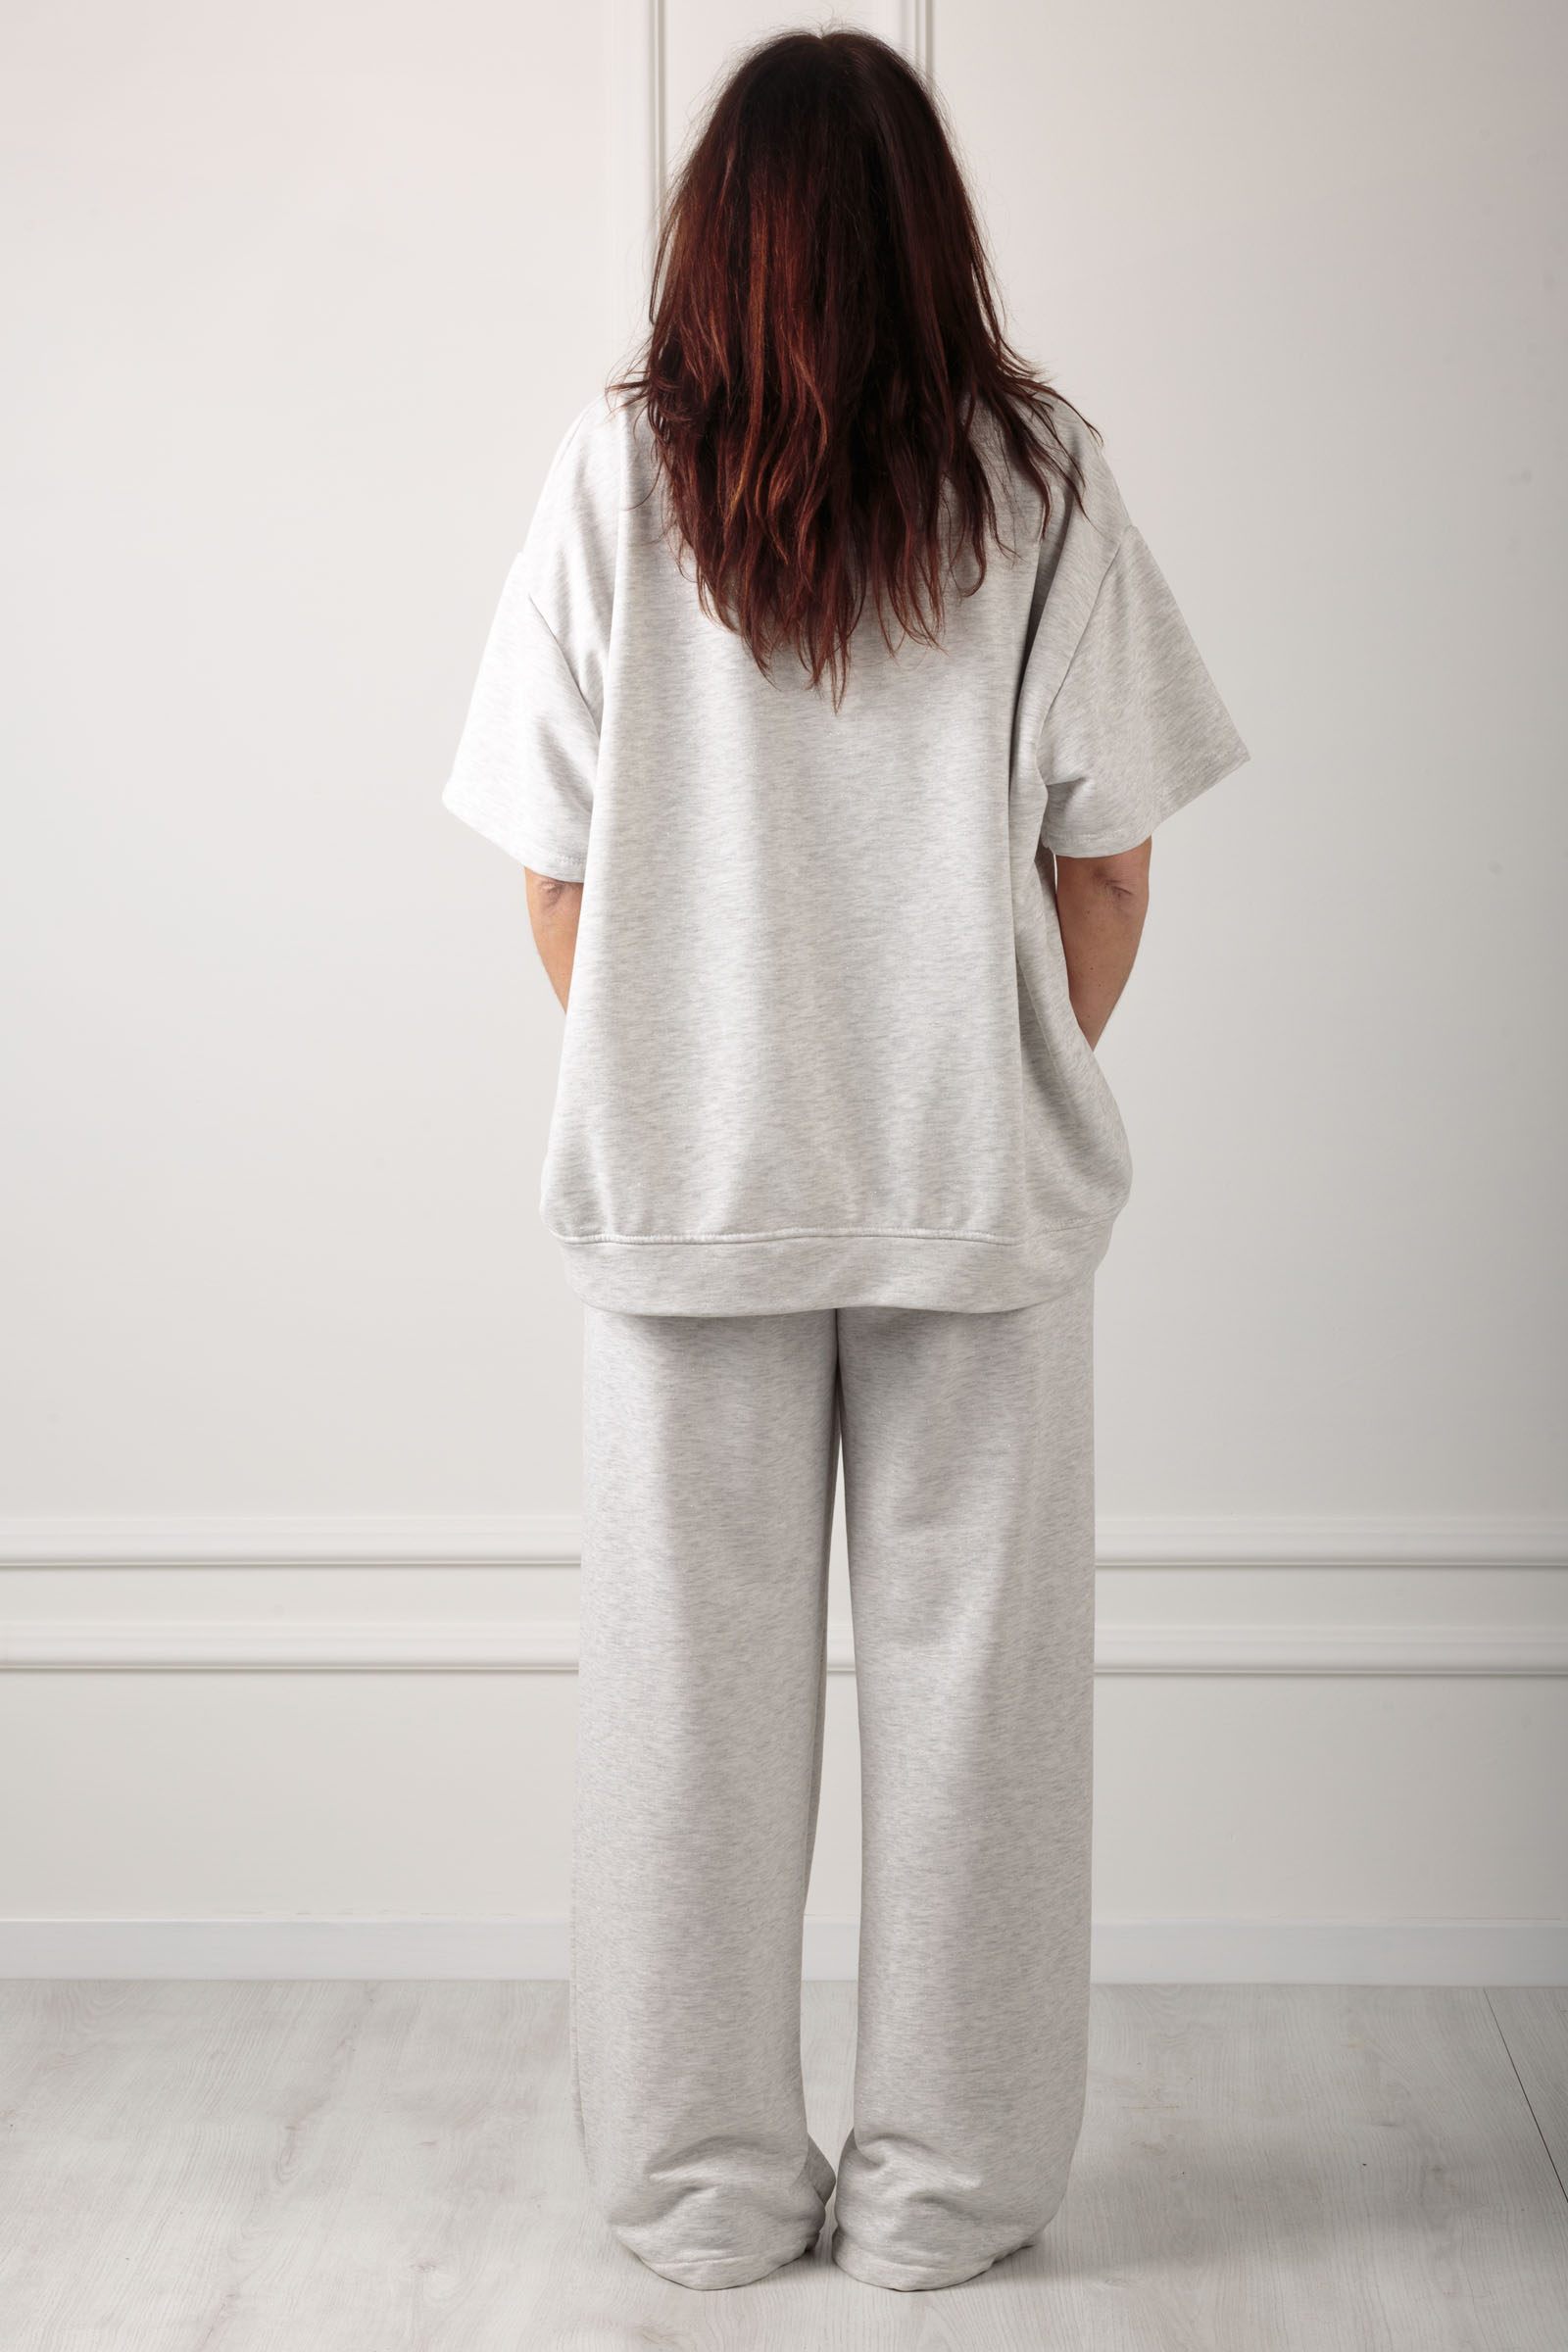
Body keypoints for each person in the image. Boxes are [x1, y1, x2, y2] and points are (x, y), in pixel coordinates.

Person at [443, 26, 1250, 2297]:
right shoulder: (1040, 475)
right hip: (973, 1197)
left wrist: (690, 1072)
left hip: (680, 1196)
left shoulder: (614, 474)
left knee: (677, 1723)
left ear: (711, 235)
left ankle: (695, 2195)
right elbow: (1111, 863)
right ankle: (944, 2199)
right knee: (979, 1715)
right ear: (928, 231)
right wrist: (983, 1070)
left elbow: (550, 871)